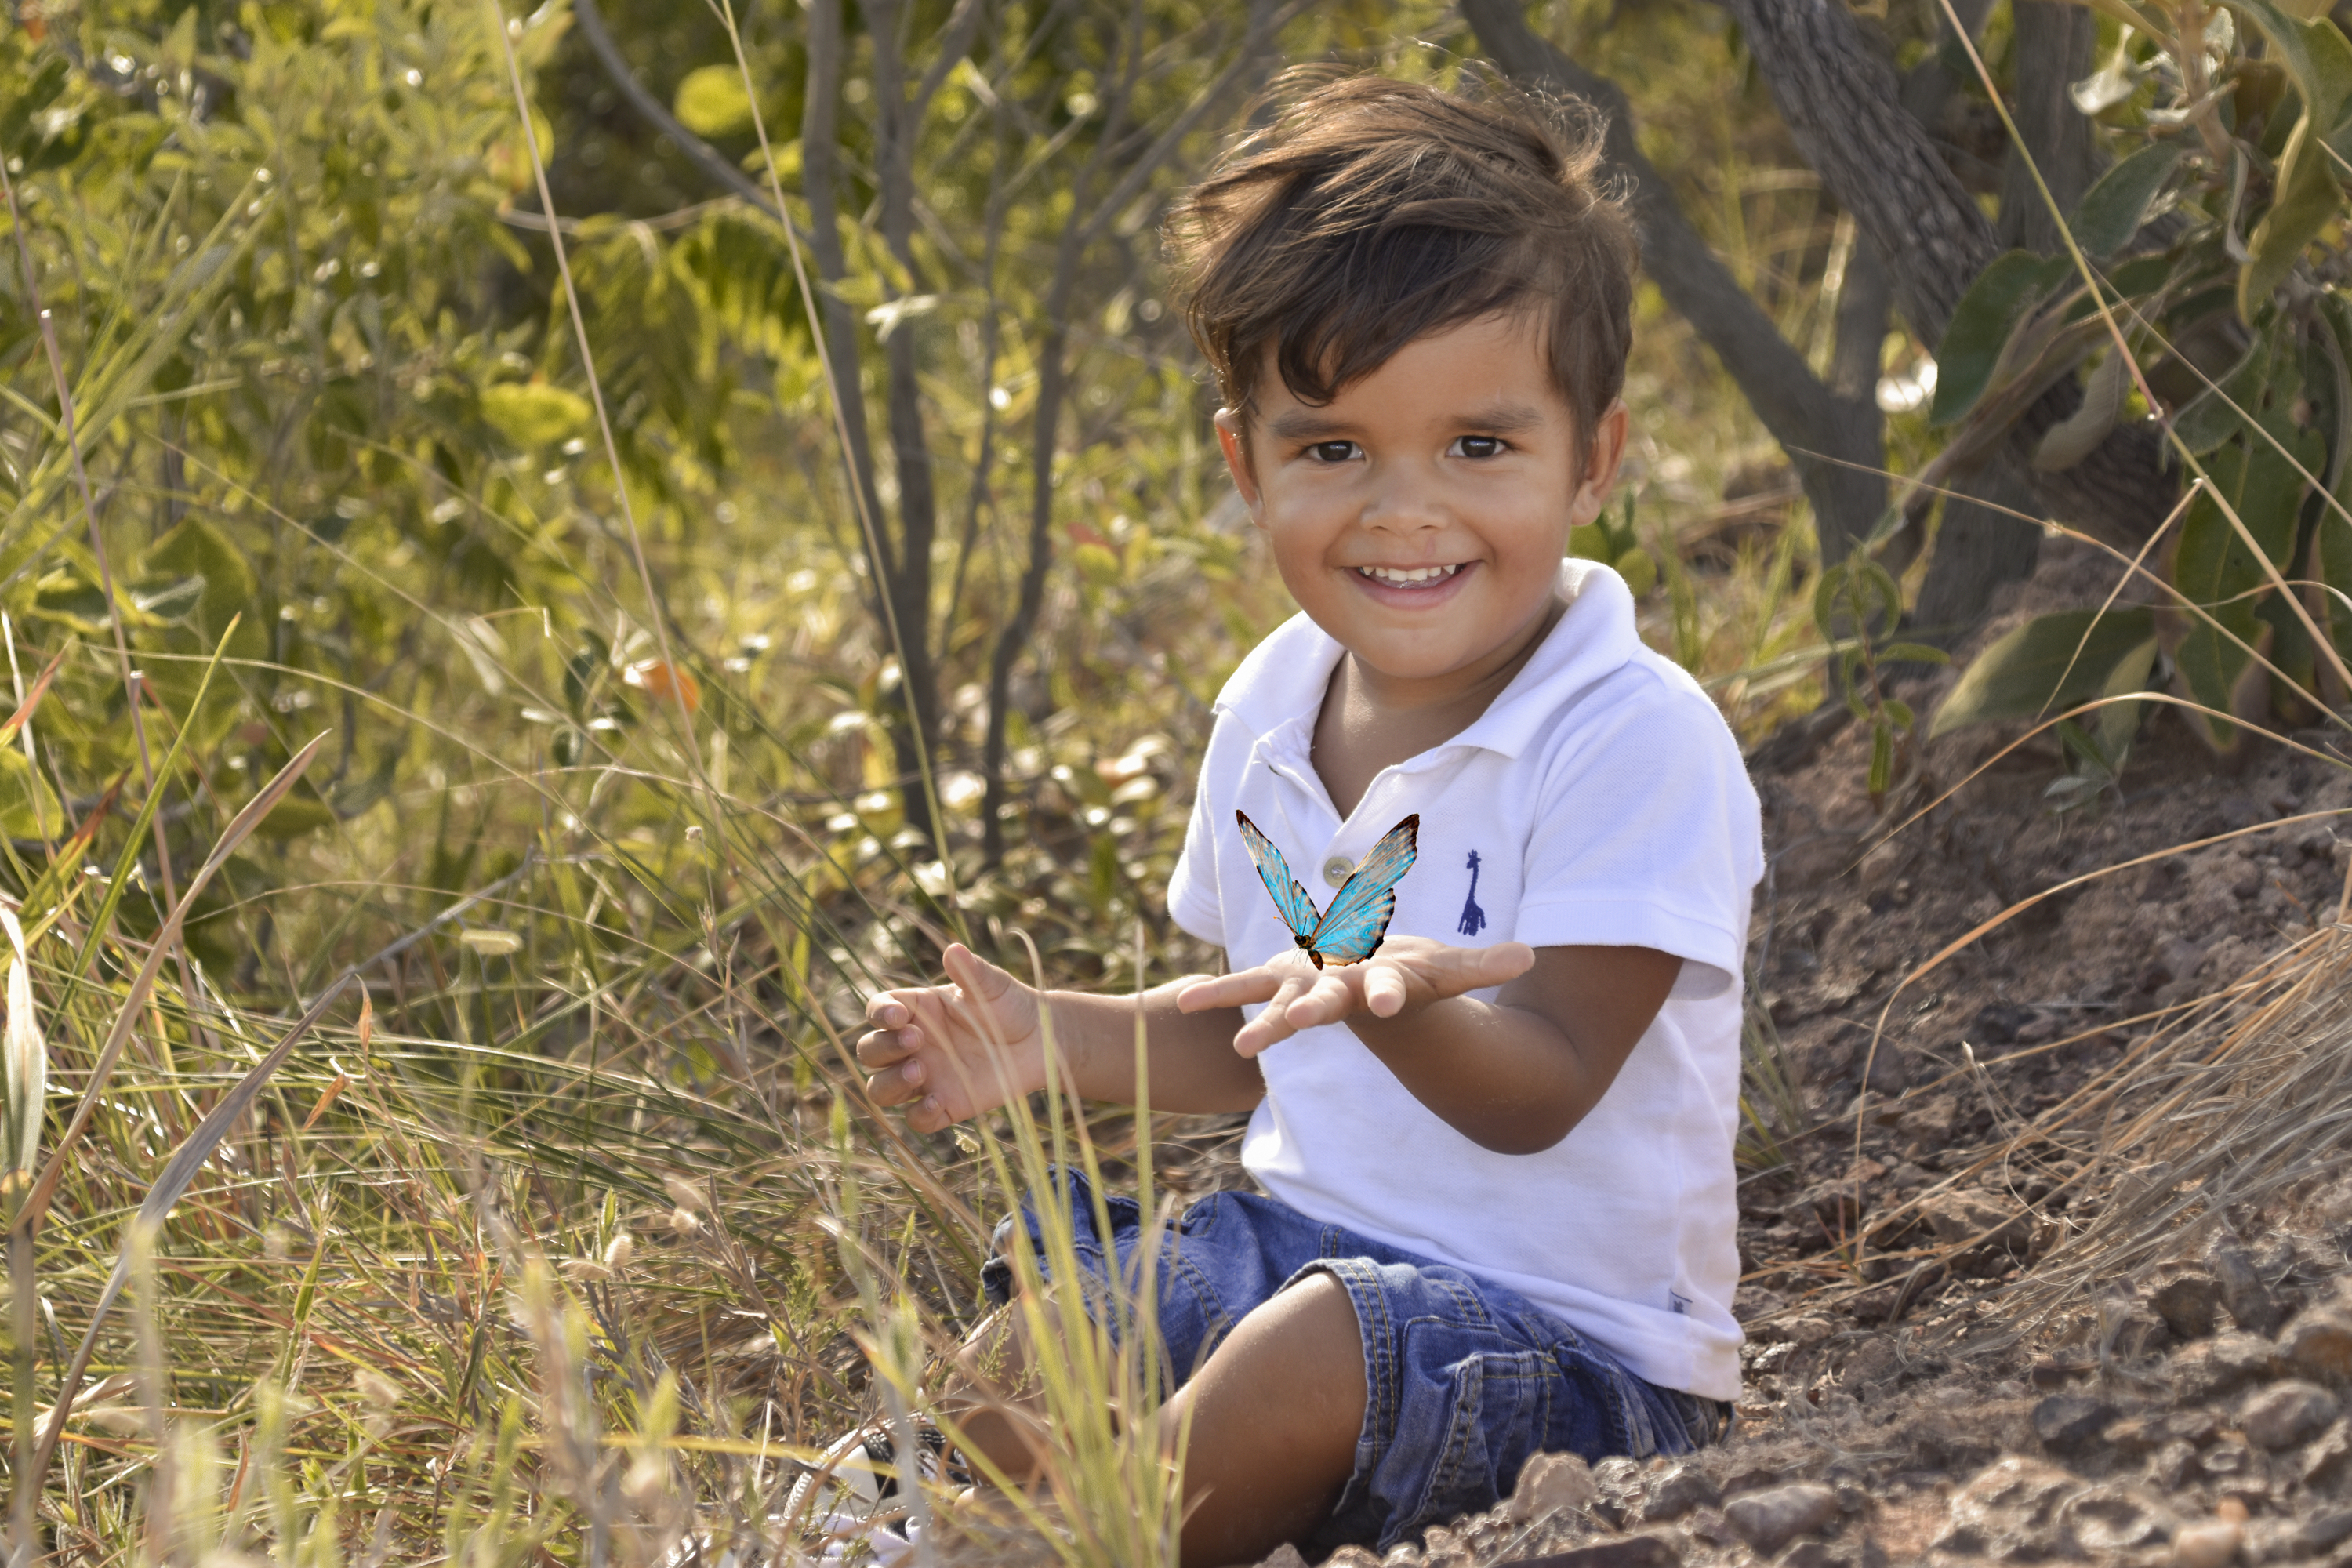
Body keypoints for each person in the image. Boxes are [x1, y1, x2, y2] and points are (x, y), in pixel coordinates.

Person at [832, 68, 1763, 1568]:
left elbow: (1550, 1085)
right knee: (1052, 1340)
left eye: (1478, 446)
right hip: (1302, 1251)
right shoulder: (1273, 704)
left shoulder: (1633, 736)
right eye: (1333, 448)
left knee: (1321, 1345)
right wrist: (1055, 1039)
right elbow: (1249, 1027)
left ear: (1592, 458)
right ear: (1244, 463)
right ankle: (926, 1518)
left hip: (1577, 1360)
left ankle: (1075, 1540)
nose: (1403, 511)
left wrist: (1385, 1005)